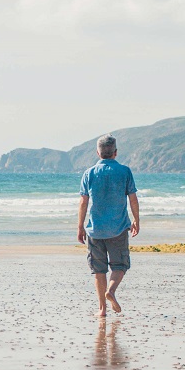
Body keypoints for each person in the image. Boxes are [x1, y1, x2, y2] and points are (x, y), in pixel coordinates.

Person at [76, 134, 140, 318]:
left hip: (95, 229)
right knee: (120, 265)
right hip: (118, 228)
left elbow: (83, 202)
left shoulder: (89, 173)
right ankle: (111, 291)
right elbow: (133, 198)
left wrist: (80, 226)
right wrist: (136, 220)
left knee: (99, 269)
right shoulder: (125, 171)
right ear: (116, 152)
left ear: (98, 152)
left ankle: (102, 309)